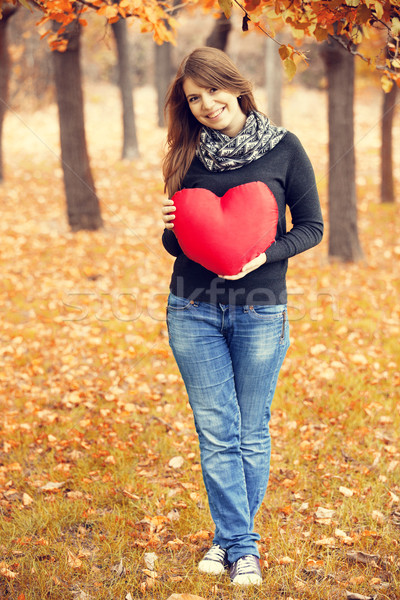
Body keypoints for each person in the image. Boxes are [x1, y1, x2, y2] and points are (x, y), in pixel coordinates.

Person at [161, 47, 323, 586]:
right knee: (216, 430)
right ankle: (243, 547)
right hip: (193, 308)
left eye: (212, 91)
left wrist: (264, 254)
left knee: (250, 431)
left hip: (261, 310)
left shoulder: (284, 149)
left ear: (235, 86)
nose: (206, 104)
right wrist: (168, 226)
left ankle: (227, 541)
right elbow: (180, 242)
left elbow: (312, 227)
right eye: (194, 98)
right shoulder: (186, 154)